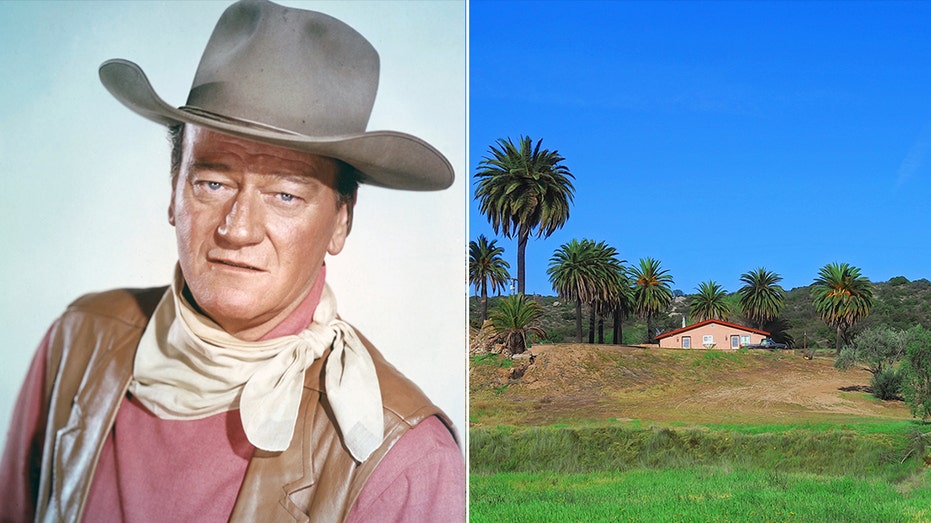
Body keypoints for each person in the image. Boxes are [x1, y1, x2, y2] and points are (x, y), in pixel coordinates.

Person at [0, 1, 464, 521]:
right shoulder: (76, 343)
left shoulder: (404, 460)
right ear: (174, 192)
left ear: (340, 222)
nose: (237, 229)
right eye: (213, 183)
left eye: (286, 194)